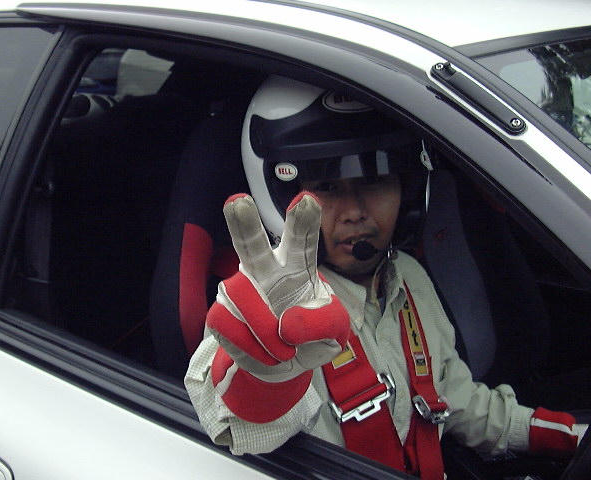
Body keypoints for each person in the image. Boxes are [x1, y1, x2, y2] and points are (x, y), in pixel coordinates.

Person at [184, 76, 587, 479]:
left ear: (407, 191)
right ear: (280, 195)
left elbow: (454, 398)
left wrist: (565, 437)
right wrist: (267, 378)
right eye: (327, 186)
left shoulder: (409, 277)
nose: (355, 211)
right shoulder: (269, 309)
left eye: (373, 180)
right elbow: (236, 427)